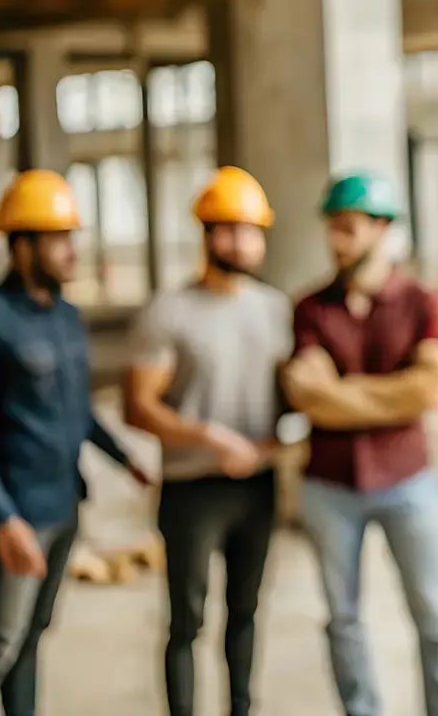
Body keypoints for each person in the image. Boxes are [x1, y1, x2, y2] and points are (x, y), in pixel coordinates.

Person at [0, 168, 149, 716]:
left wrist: (125, 458)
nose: (70, 251)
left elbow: (76, 411)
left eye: (71, 237)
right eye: (58, 239)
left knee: (32, 637)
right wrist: (0, 519)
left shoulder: (65, 318)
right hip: (20, 514)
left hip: (64, 506)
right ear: (21, 245)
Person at [279, 172, 438, 716]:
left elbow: (430, 388)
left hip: (408, 481)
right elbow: (308, 397)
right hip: (329, 486)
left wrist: (340, 393)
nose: (336, 241)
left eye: (348, 229)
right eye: (331, 229)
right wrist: (391, 394)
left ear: (382, 229)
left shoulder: (423, 301)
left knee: (436, 618)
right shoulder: (310, 309)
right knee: (344, 620)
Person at [123, 166, 294, 716]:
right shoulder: (168, 312)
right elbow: (137, 406)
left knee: (245, 612)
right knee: (186, 621)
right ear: (206, 233)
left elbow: (292, 395)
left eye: (251, 230)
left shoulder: (275, 310)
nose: (241, 241)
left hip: (257, 487)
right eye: (229, 229)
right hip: (191, 488)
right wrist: (209, 437)